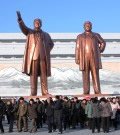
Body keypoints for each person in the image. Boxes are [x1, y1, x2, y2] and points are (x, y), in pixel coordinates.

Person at [16, 11, 54, 96]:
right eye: (36, 22)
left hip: (43, 58)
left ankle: (45, 91)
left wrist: (46, 51)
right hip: (33, 57)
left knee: (44, 75)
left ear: (41, 24)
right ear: (34, 24)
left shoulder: (46, 35)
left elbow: (51, 44)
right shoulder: (30, 32)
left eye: (39, 22)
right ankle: (33, 92)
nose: (37, 23)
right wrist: (20, 20)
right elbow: (23, 28)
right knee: (33, 75)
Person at [75, 21, 106, 94]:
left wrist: (100, 50)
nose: (87, 26)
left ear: (91, 26)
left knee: (95, 74)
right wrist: (77, 58)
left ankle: (97, 91)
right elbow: (77, 48)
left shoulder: (96, 35)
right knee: (85, 75)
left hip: (94, 57)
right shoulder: (80, 36)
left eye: (89, 25)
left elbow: (103, 43)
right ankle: (86, 91)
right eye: (86, 25)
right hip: (84, 57)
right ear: (84, 26)